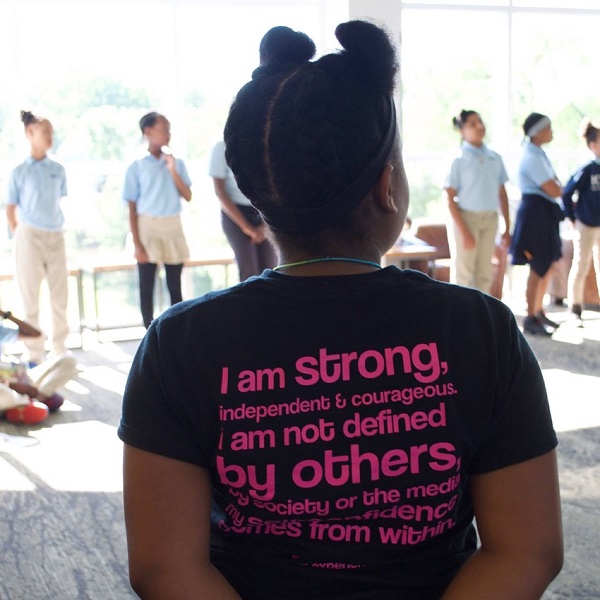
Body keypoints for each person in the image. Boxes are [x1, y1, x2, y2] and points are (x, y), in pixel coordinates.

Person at [119, 21, 562, 600]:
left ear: (259, 189)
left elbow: (164, 570)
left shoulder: (178, 344)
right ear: (388, 186)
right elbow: (527, 550)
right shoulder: (483, 331)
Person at [5, 110, 70, 365]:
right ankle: (34, 355)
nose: (50, 137)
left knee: (59, 298)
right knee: (30, 297)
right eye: (45, 132)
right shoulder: (19, 171)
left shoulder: (58, 168)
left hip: (55, 236)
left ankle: (61, 351)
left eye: (52, 132)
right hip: (29, 237)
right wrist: (20, 235)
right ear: (30, 134)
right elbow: (11, 209)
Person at [123, 112, 192, 329]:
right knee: (147, 286)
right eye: (164, 129)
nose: (168, 134)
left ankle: (176, 330)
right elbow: (131, 207)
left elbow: (188, 196)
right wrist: (137, 243)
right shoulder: (136, 166)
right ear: (148, 132)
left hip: (172, 225)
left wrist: (172, 170)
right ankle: (148, 333)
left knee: (175, 285)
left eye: (169, 129)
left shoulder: (176, 162)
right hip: (147, 228)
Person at [510, 113, 564, 336]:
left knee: (548, 262)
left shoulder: (540, 154)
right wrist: (557, 187)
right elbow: (554, 188)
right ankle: (530, 316)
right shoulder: (531, 157)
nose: (552, 131)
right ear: (537, 132)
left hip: (544, 213)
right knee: (537, 265)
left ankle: (538, 309)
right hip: (535, 214)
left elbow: (556, 186)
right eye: (548, 128)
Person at [444, 110, 510, 294]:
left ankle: (482, 319)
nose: (479, 126)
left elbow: (502, 193)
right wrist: (464, 231)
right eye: (472, 124)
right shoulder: (458, 158)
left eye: (480, 121)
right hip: (466, 218)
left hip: (490, 219)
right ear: (462, 130)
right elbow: (448, 196)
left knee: (484, 273)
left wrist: (507, 226)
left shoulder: (495, 157)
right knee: (463, 275)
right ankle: (460, 320)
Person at [209, 140, 277, 281]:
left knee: (270, 269)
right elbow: (220, 193)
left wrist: (265, 226)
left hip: (265, 211)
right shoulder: (221, 147)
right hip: (235, 213)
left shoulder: (266, 143)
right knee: (248, 270)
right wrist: (248, 229)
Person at [0, 309, 78, 424]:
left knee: (69, 360)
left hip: (22, 377)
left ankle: (36, 398)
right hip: (6, 386)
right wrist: (12, 385)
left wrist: (6, 315)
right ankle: (25, 402)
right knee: (6, 395)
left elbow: (35, 334)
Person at [562, 119, 600, 325]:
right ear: (593, 145)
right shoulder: (586, 169)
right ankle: (575, 306)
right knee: (581, 264)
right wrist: (571, 218)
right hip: (585, 224)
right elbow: (567, 193)